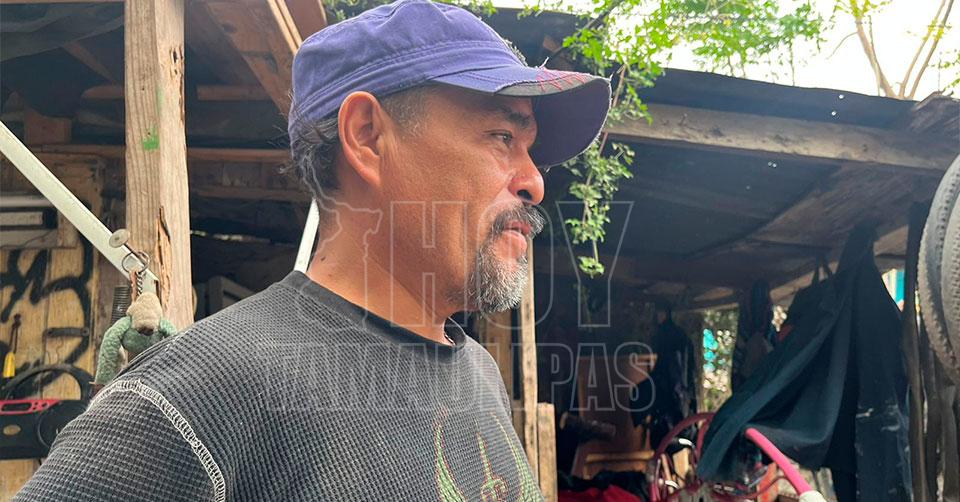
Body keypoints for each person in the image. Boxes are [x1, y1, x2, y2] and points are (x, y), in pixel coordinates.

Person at [14, 1, 611, 500]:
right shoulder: (202, 395)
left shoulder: (476, 370)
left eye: (530, 149)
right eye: (503, 136)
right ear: (367, 137)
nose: (535, 182)